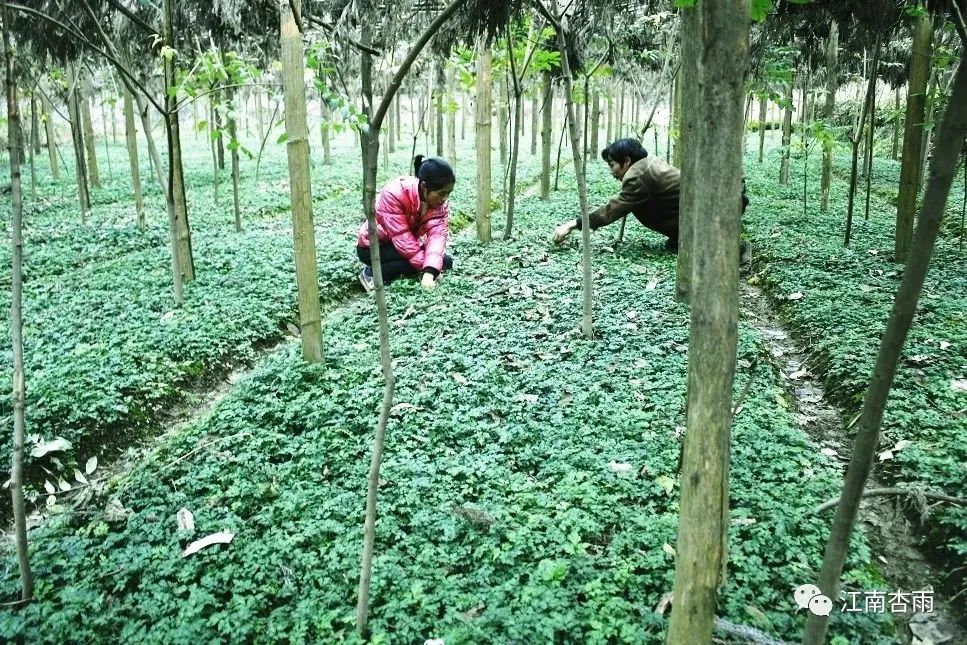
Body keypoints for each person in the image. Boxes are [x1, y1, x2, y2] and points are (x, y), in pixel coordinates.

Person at [551, 138, 751, 262]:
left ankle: (735, 249)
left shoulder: (638, 177)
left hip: (721, 206)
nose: (612, 172)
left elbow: (611, 210)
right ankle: (685, 238)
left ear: (627, 161)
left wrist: (572, 224)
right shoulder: (649, 163)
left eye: (612, 165)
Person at [357, 155, 455, 293]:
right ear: (424, 186)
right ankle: (371, 273)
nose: (444, 199)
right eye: (441, 193)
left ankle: (381, 271)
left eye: (448, 194)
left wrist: (431, 270)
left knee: (445, 261)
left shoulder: (439, 204)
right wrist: (428, 271)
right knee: (417, 263)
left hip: (403, 245)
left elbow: (437, 237)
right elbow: (402, 237)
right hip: (375, 245)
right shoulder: (395, 193)